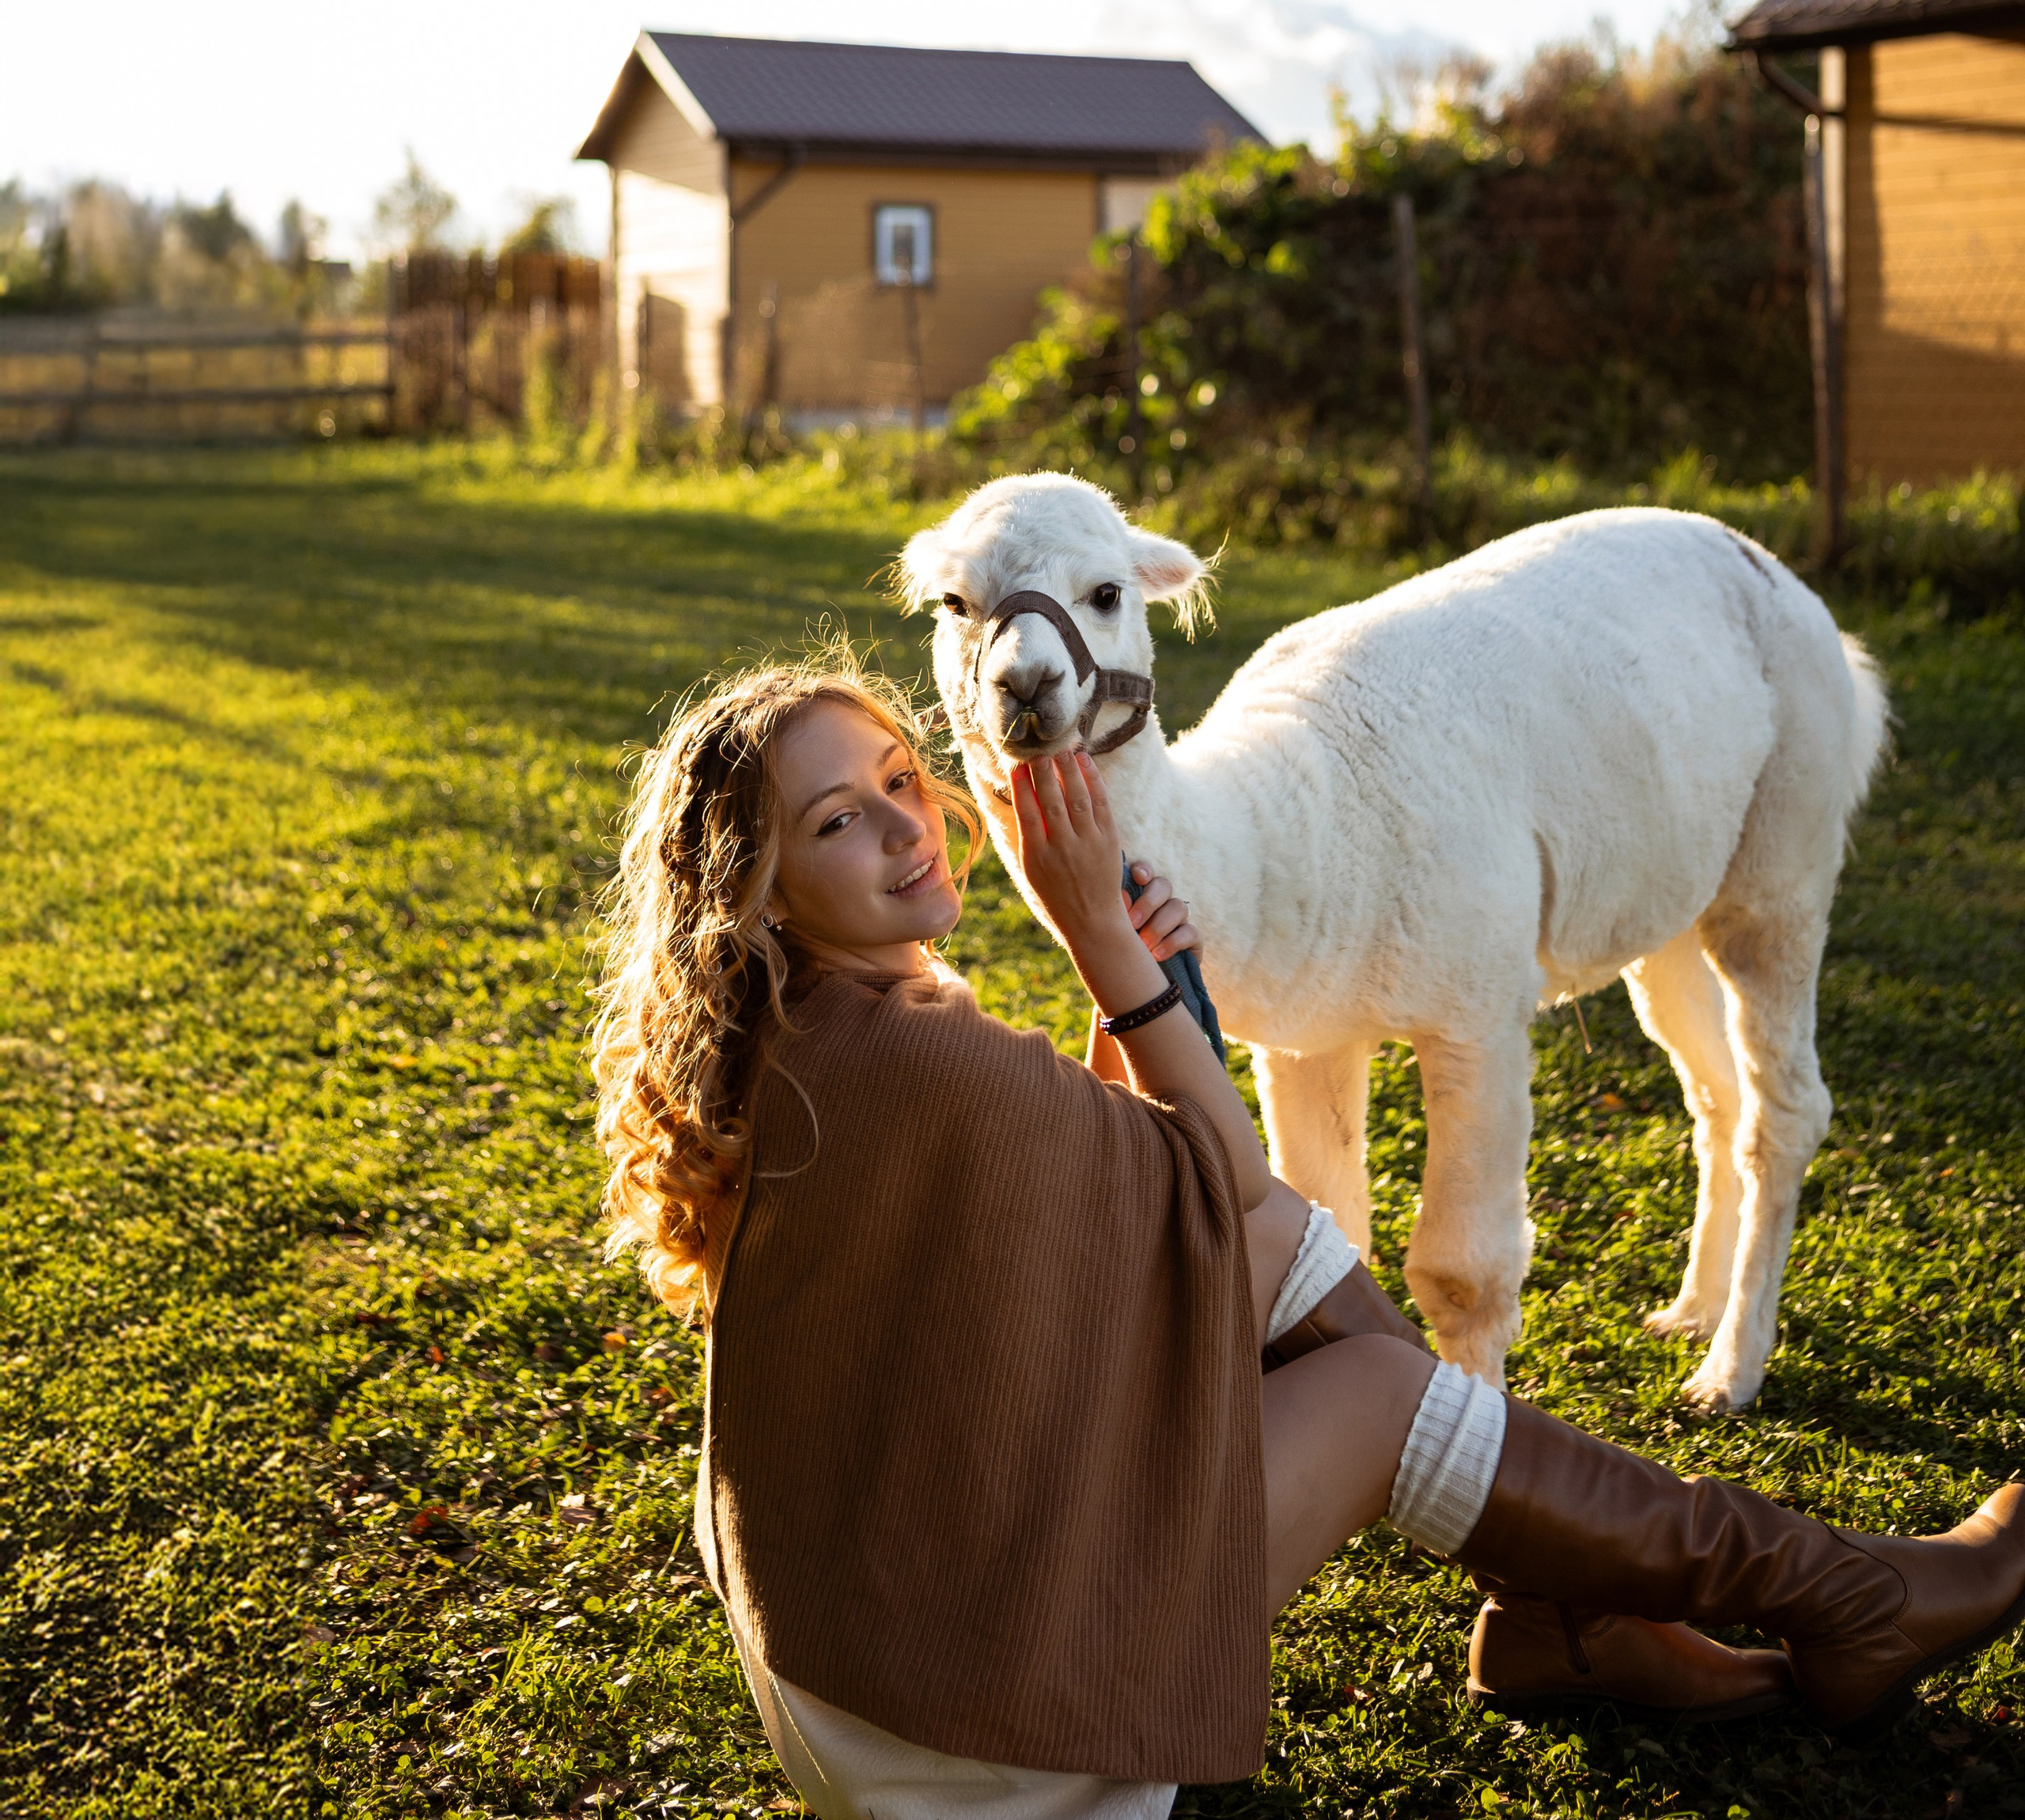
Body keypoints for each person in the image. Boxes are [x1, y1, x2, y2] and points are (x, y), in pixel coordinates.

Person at [591, 655, 2025, 1820]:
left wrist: (1133, 998)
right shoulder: (914, 1061)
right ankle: (1826, 1594)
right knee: (1373, 1376)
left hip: (875, 1684)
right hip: (989, 1735)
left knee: (1289, 1276)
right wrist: (1115, 958)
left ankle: (1575, 1613)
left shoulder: (813, 1033)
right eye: (838, 821)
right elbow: (1228, 1189)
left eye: (902, 777)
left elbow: (1095, 1210)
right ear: (760, 887)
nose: (907, 825)